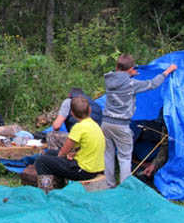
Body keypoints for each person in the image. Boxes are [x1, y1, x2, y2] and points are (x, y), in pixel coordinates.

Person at [102, 54, 176, 188]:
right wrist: (167, 71)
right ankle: (125, 188)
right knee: (124, 157)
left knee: (108, 154)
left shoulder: (109, 79)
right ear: (130, 69)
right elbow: (152, 84)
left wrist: (128, 74)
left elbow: (120, 78)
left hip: (106, 123)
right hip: (121, 125)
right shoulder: (132, 84)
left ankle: (109, 185)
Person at [35, 96, 105, 181]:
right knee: (50, 153)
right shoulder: (95, 125)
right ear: (89, 110)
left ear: (72, 113)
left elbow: (63, 152)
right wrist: (73, 154)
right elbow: (87, 147)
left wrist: (62, 158)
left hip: (84, 171)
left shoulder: (78, 127)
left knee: (41, 161)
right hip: (95, 167)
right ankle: (58, 183)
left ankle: (47, 190)